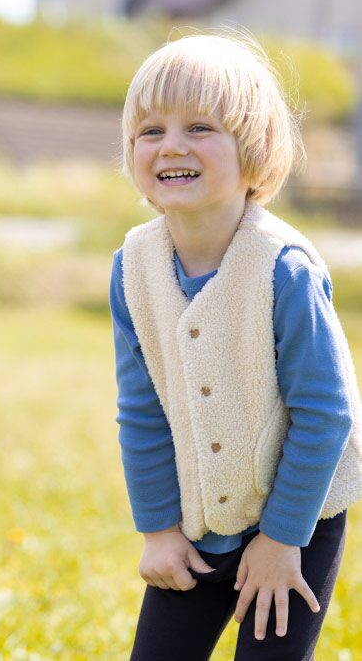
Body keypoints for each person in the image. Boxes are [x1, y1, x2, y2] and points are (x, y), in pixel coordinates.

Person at [110, 33, 362, 660]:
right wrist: (159, 530)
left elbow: (326, 414)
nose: (171, 144)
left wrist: (281, 541)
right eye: (150, 130)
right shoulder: (133, 267)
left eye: (199, 127)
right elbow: (142, 411)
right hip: (196, 527)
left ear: (251, 152)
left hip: (299, 517)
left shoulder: (284, 268)